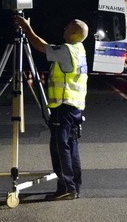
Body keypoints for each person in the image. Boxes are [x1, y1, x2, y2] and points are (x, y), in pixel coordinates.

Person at [13, 14, 89, 201]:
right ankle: (74, 187)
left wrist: (26, 28)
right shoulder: (79, 50)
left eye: (67, 26)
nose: (64, 29)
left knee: (59, 147)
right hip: (75, 108)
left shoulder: (67, 50)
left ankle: (66, 188)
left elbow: (40, 46)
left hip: (63, 107)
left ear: (73, 32)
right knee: (71, 147)